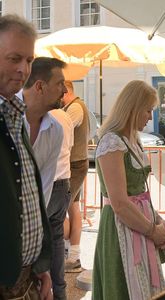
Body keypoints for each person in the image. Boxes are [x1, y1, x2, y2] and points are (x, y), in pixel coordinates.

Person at [92, 80, 165, 300]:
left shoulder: (133, 140)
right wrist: (152, 230)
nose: (150, 116)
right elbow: (119, 203)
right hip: (121, 228)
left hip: (139, 223)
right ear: (133, 107)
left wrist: (157, 221)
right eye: (148, 110)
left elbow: (141, 194)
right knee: (123, 288)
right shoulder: (111, 142)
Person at [0, 14, 52, 299]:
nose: (23, 69)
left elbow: (26, 195)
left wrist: (39, 265)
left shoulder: (15, 113)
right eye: (14, 58)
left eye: (29, 60)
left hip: (27, 277)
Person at [18, 57, 66, 206]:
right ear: (39, 87)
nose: (65, 90)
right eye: (60, 83)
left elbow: (44, 188)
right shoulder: (5, 115)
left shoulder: (55, 130)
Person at [62, 80, 90, 272]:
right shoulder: (75, 107)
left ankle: (70, 254)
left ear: (65, 92)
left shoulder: (75, 108)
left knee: (58, 210)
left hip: (74, 164)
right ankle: (72, 255)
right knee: (73, 209)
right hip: (75, 163)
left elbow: (60, 131)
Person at [48, 108, 74, 300]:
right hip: (63, 181)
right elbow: (70, 148)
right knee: (56, 239)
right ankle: (60, 292)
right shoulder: (65, 116)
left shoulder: (41, 116)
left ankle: (39, 289)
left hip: (48, 183)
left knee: (36, 241)